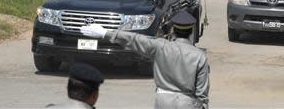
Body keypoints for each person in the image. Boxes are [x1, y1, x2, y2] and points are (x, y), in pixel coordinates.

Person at [81, 11, 210, 109]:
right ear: (191, 30)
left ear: (173, 30)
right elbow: (202, 96)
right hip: (187, 104)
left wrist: (106, 33)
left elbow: (134, 39)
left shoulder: (161, 46)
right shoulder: (200, 56)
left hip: (162, 101)